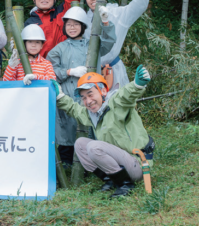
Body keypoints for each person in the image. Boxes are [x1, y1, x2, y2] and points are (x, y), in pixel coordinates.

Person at [53, 66, 155, 198]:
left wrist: (137, 85)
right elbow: (74, 109)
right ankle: (111, 179)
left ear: (103, 91)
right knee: (80, 144)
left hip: (136, 163)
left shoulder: (116, 103)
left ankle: (125, 184)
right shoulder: (92, 113)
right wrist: (60, 96)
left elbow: (126, 95)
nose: (88, 101)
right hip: (119, 161)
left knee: (94, 146)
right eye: (84, 98)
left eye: (90, 94)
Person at [47, 6, 116, 164]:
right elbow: (50, 72)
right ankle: (66, 164)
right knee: (67, 130)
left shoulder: (92, 45)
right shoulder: (59, 49)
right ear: (64, 27)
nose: (72, 28)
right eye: (69, 24)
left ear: (83, 26)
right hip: (69, 96)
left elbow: (110, 41)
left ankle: (93, 163)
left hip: (91, 97)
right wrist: (69, 71)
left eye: (76, 24)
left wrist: (106, 22)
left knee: (92, 129)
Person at [82, 0, 152, 87]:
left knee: (118, 103)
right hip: (90, 72)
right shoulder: (83, 20)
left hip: (113, 70)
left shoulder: (116, 14)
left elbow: (138, 6)